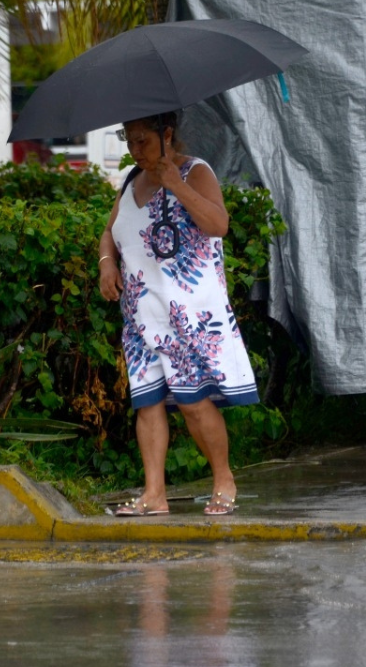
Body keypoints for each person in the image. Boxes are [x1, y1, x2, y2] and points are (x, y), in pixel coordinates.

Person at [97, 111, 259, 517]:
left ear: (167, 134)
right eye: (129, 141)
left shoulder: (196, 172)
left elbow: (218, 224)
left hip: (189, 315)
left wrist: (175, 185)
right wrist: (106, 263)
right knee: (147, 404)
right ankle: (155, 494)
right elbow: (109, 232)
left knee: (193, 403)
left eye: (143, 141)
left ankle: (223, 479)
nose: (135, 150)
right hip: (140, 315)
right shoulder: (131, 181)